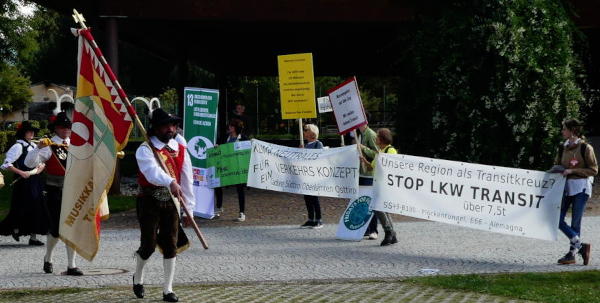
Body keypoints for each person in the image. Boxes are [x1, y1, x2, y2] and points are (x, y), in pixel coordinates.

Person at [133, 108, 195, 302]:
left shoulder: (180, 149)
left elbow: (187, 180)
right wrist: (170, 181)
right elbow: (151, 172)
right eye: (166, 125)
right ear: (156, 128)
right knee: (149, 245)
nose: (170, 129)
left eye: (173, 125)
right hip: (149, 200)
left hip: (172, 202)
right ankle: (138, 277)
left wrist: (189, 210)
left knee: (171, 245)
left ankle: (167, 289)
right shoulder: (145, 149)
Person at [24, 112, 83, 275]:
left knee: (72, 227)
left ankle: (72, 265)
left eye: (68, 128)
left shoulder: (76, 145)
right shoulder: (49, 146)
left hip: (73, 191)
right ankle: (48, 258)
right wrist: (38, 148)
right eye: (63, 127)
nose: (66, 130)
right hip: (54, 191)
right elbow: (29, 163)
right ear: (56, 129)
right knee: (56, 229)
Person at [555, 119, 598, 265]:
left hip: (581, 188)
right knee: (556, 219)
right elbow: (557, 165)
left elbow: (594, 170)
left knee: (575, 222)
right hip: (566, 188)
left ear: (572, 130)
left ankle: (571, 255)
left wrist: (572, 171)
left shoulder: (586, 148)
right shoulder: (562, 147)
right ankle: (581, 246)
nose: (562, 131)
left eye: (564, 129)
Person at [0, 121, 47, 246]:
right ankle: (15, 228)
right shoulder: (18, 146)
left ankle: (33, 237)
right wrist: (21, 172)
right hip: (23, 182)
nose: (32, 133)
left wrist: (40, 168)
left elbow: (41, 161)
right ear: (23, 133)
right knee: (22, 207)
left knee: (37, 207)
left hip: (35, 180)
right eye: (28, 131)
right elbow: (6, 164)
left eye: (33, 131)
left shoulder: (34, 145)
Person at [357, 124, 398, 246]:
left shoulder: (390, 151)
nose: (375, 139)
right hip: (378, 184)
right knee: (381, 209)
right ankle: (391, 233)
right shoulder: (380, 152)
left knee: (379, 208)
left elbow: (391, 168)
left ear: (382, 139)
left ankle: (389, 232)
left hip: (385, 186)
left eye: (378, 137)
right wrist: (364, 161)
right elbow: (372, 167)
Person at [215, 119, 248, 222]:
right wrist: (217, 147)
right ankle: (219, 207)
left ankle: (242, 212)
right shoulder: (225, 137)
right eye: (229, 126)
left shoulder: (243, 138)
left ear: (236, 128)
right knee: (217, 184)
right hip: (226, 167)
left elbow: (247, 151)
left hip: (238, 168)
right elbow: (218, 147)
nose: (229, 127)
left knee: (240, 190)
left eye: (232, 126)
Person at [356, 120, 380, 240]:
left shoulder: (370, 134)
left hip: (370, 174)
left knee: (370, 201)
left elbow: (377, 154)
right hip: (362, 173)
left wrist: (363, 148)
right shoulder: (360, 134)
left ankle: (374, 230)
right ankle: (366, 228)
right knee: (363, 201)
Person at [300, 124, 324, 229]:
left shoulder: (318, 144)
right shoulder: (306, 145)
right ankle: (310, 219)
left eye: (306, 130)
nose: (304, 132)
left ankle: (319, 220)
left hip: (314, 177)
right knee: (307, 198)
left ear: (312, 133)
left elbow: (319, 158)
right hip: (306, 177)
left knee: (314, 198)